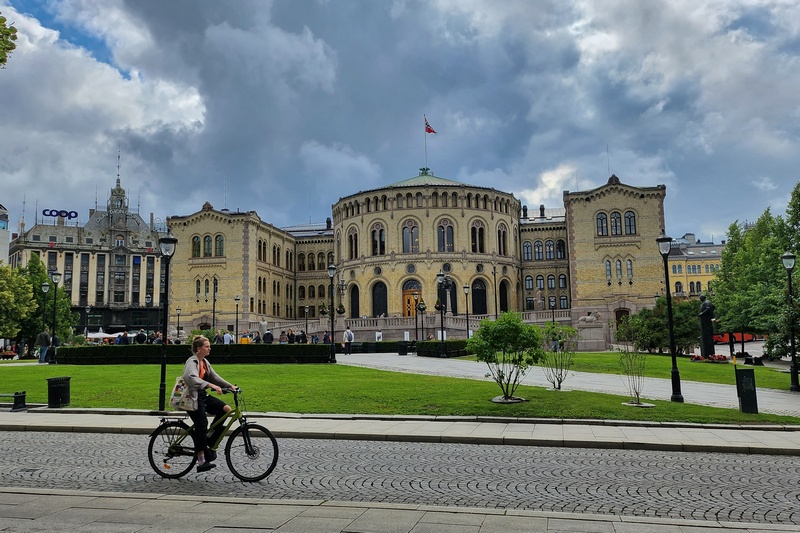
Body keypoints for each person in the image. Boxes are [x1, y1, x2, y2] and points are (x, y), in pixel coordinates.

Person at [183, 335, 234, 473]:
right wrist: (211, 385)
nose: (209, 348)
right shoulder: (192, 362)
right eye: (207, 346)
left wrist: (229, 386)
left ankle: (208, 440)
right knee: (201, 424)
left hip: (203, 395)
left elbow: (214, 377)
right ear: (199, 349)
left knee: (226, 410)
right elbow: (191, 378)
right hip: (192, 397)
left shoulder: (205, 362)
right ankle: (201, 460)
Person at [699, 294, 716, 358]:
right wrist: (711, 314)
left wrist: (702, 313)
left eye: (700, 298)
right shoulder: (709, 302)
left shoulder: (705, 303)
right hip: (709, 319)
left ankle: (707, 354)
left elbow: (708, 308)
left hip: (705, 320)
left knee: (706, 332)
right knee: (708, 332)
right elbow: (713, 307)